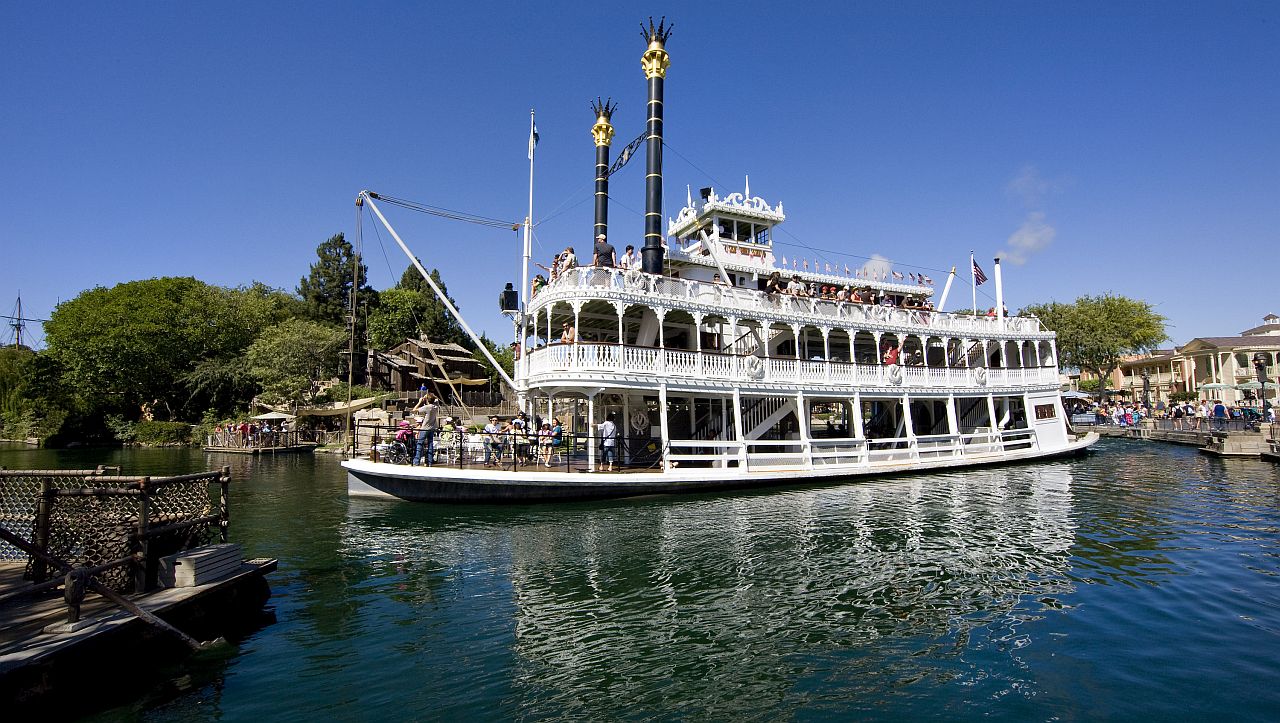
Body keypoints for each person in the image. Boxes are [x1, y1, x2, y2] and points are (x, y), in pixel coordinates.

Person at [411, 394, 439, 466]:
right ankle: (430, 462)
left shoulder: (427, 407)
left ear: (427, 400)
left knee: (420, 444)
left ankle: (417, 461)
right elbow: (436, 400)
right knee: (430, 444)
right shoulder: (436, 407)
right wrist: (428, 397)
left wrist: (419, 402)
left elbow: (414, 410)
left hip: (425, 428)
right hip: (432, 428)